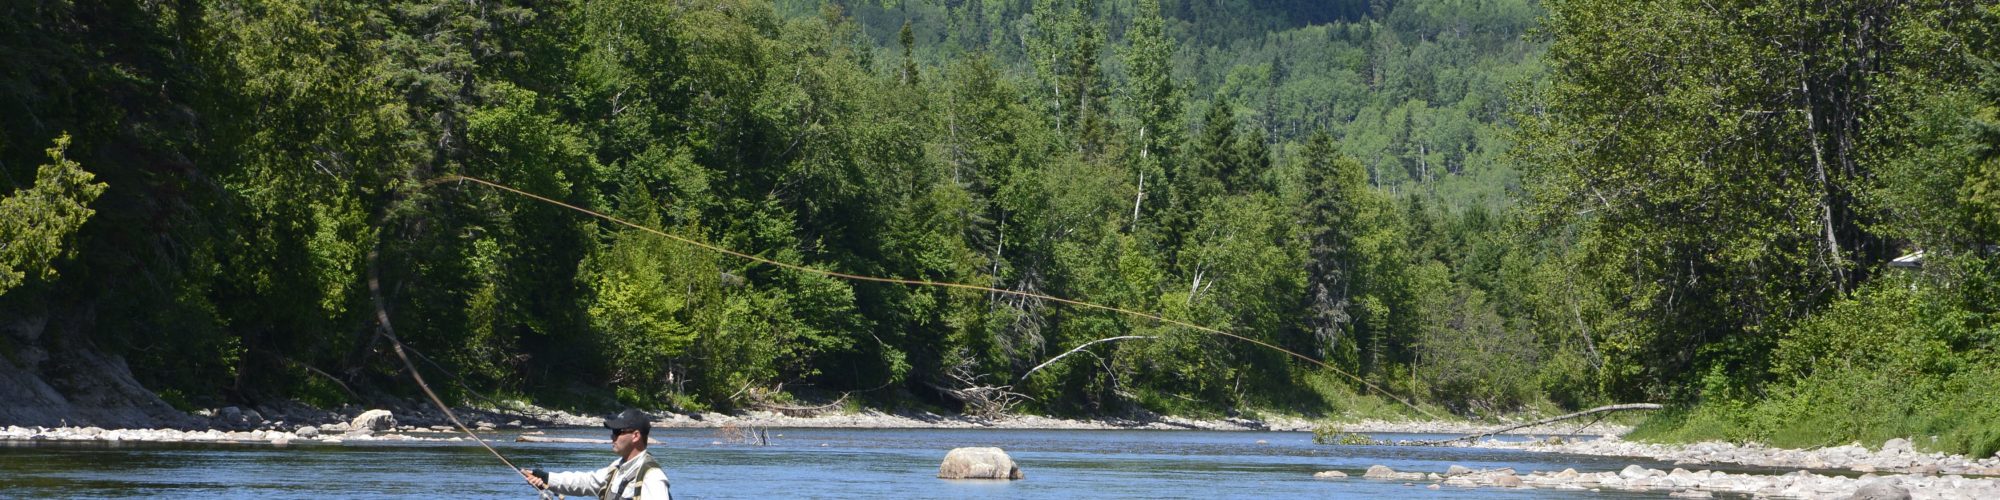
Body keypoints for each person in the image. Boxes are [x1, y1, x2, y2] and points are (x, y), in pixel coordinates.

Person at [521, 409, 671, 499]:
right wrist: (546, 477)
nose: (612, 437)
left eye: (617, 432)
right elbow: (585, 482)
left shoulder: (653, 477)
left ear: (636, 436)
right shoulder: (616, 468)